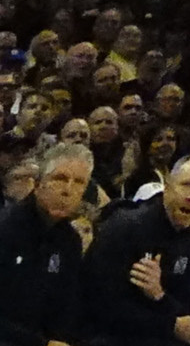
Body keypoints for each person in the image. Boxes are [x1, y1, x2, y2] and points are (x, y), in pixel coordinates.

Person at [81, 156, 190, 346]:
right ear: (168, 186)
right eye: (187, 185)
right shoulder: (124, 227)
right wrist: (170, 324)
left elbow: (189, 317)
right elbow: (100, 305)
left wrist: (159, 295)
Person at [0, 142, 92, 346]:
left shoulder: (70, 241)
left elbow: (67, 310)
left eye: (79, 182)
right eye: (60, 179)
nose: (68, 190)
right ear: (38, 183)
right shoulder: (6, 228)